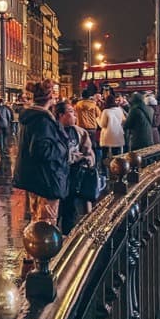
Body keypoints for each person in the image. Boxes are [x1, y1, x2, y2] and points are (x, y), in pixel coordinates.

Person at [13, 80, 69, 225]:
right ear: (50, 98)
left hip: (35, 177)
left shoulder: (32, 117)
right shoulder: (42, 121)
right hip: (46, 179)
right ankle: (44, 247)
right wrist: (63, 147)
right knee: (46, 223)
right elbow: (42, 150)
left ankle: (35, 246)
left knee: (37, 219)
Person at [56, 100, 95, 234]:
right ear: (61, 115)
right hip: (57, 180)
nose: (75, 116)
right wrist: (73, 157)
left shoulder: (80, 132)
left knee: (70, 213)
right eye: (71, 112)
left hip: (74, 179)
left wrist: (88, 159)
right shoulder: (54, 133)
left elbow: (89, 152)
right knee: (55, 213)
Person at [98, 93, 126, 162]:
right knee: (116, 154)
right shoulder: (119, 110)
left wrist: (98, 119)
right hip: (118, 135)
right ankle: (116, 169)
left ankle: (106, 170)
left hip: (107, 136)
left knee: (105, 155)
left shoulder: (106, 111)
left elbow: (102, 125)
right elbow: (123, 120)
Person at [75, 90, 101, 156]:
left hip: (81, 127)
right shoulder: (94, 105)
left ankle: (84, 160)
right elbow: (99, 115)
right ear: (89, 96)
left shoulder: (77, 105)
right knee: (93, 144)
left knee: (82, 145)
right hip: (92, 127)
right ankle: (94, 161)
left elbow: (74, 114)